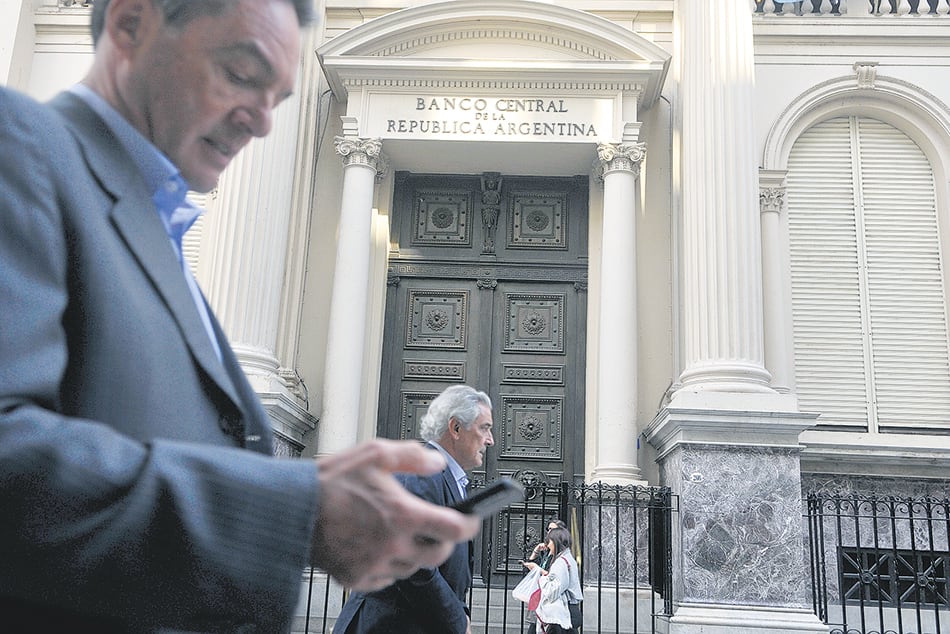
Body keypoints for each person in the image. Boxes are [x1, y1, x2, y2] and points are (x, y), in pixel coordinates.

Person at [0, 0, 480, 631]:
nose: (260, 124)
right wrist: (296, 511)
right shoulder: (19, 148)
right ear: (131, 23)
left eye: (278, 98)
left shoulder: (157, 231)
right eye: (241, 72)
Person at [333, 385, 496, 634]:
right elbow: (413, 562)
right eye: (484, 427)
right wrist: (456, 618)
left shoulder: (445, 476)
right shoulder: (423, 474)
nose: (490, 440)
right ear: (456, 428)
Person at [531, 527, 583, 634]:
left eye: (549, 541)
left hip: (563, 613)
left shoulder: (560, 563)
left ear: (556, 542)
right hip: (569, 610)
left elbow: (553, 590)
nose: (548, 545)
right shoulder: (568, 558)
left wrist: (542, 577)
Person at [522, 518, 569, 633]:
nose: (549, 533)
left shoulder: (561, 555)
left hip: (552, 605)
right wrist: (535, 552)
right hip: (541, 601)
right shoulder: (549, 552)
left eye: (552, 530)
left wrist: (539, 570)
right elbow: (533, 574)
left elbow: (553, 578)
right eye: (548, 530)